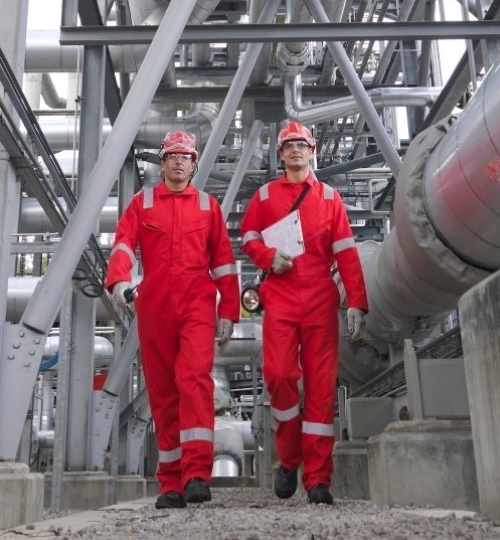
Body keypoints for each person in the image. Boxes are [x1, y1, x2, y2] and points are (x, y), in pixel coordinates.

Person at [106, 130, 240, 509]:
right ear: (162, 162)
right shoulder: (142, 203)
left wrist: (228, 310)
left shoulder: (207, 207)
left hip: (197, 303)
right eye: (172, 155)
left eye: (186, 156)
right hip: (155, 306)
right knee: (163, 392)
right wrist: (119, 281)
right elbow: (123, 244)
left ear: (194, 164)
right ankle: (171, 482)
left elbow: (224, 263)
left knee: (193, 380)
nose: (179, 161)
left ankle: (197, 473)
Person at [238, 119, 367, 506]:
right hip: (278, 293)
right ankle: (290, 457)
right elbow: (248, 237)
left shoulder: (329, 198)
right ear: (280, 155)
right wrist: (267, 256)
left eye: (302, 144)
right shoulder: (264, 197)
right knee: (278, 375)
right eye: (288, 145)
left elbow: (346, 251)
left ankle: (317, 479)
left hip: (319, 297)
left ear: (312, 151)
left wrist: (357, 301)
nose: (296, 150)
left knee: (321, 390)